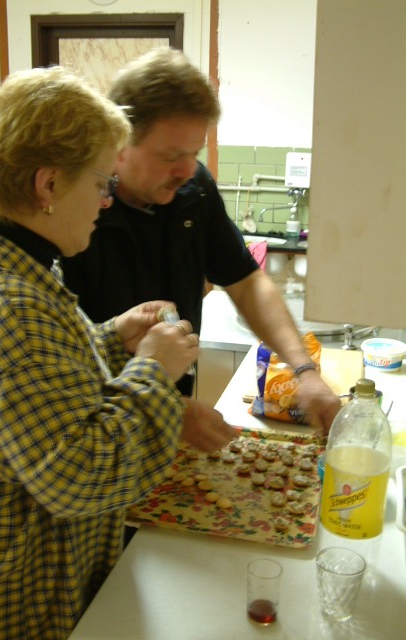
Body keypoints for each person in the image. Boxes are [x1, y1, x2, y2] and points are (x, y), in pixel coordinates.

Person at [0, 66, 235, 640]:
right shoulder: (9, 307)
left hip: (37, 579)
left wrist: (113, 339)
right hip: (12, 603)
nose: (106, 201)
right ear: (48, 186)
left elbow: (45, 389)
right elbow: (80, 476)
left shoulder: (19, 270)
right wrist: (153, 370)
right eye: (99, 184)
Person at [62, 47, 341, 434]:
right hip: (97, 430)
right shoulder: (76, 212)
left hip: (167, 406)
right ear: (120, 144)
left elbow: (246, 282)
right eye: (171, 155)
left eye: (194, 152)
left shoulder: (194, 190)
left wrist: (304, 370)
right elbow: (60, 366)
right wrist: (172, 410)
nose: (187, 169)